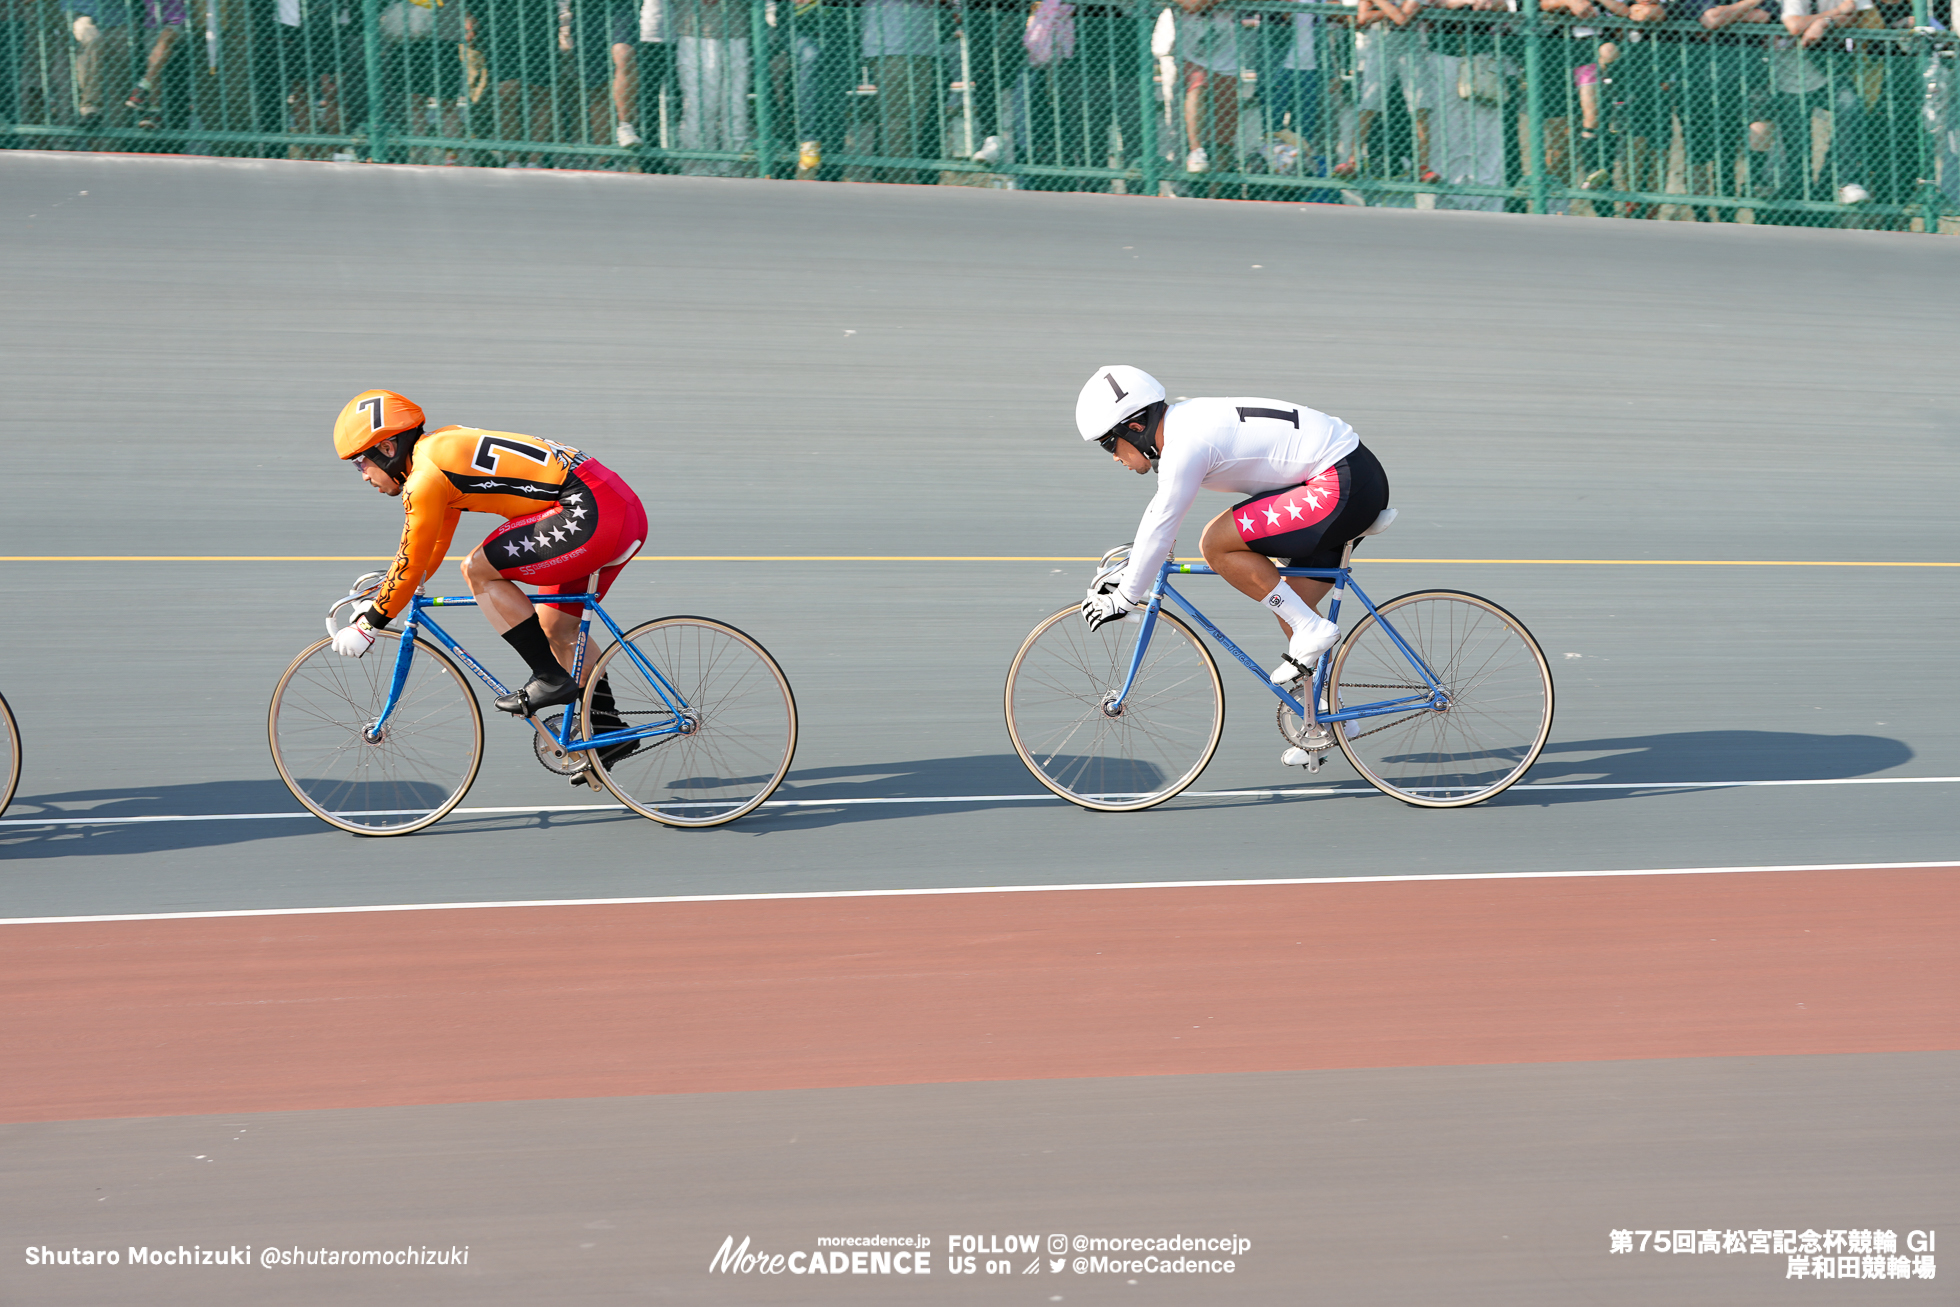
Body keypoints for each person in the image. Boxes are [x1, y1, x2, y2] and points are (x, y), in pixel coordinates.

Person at [328, 390, 649, 770]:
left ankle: (549, 679)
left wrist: (372, 621)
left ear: (387, 446)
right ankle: (609, 730)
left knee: (477, 569)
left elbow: (412, 561)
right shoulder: (437, 450)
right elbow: (429, 548)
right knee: (558, 629)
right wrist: (385, 596)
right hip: (612, 505)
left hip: (590, 512)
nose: (363, 475)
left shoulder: (424, 478)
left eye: (361, 462)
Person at [1074, 366, 1391, 700]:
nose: (1113, 457)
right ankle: (1327, 718)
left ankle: (1311, 629)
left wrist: (1124, 598)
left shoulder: (1185, 444)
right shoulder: (1187, 420)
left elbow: (1162, 522)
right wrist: (1136, 567)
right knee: (1290, 607)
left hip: (1340, 484)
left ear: (1135, 428)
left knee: (1216, 543)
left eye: (1109, 444)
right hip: (1353, 476)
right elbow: (1162, 523)